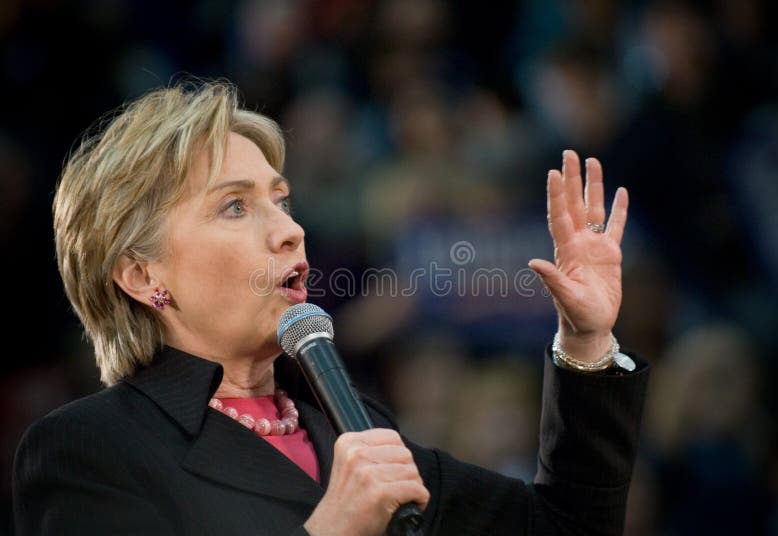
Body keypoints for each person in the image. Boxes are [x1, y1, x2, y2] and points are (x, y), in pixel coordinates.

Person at [12, 80, 649, 535]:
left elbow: (564, 527)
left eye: (281, 201)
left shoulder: (348, 423)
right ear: (141, 273)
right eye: (235, 206)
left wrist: (587, 342)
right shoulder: (88, 450)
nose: (290, 231)